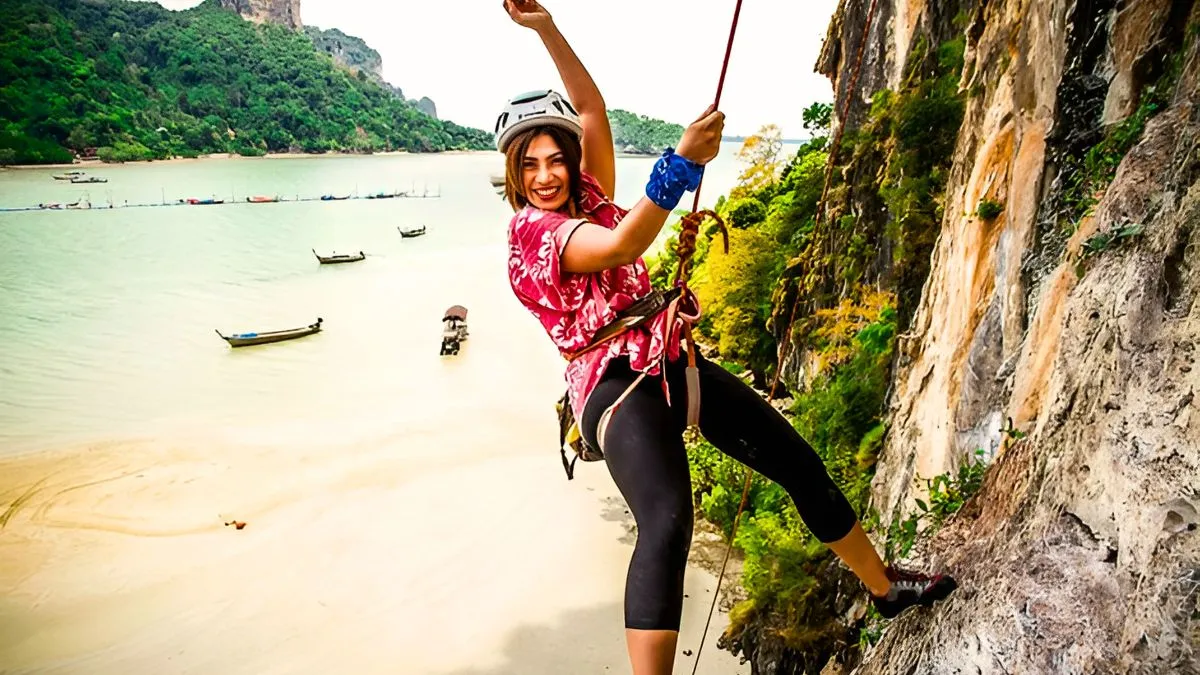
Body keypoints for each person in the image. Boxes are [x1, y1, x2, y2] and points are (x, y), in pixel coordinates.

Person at [498, 2, 957, 673]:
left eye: (555, 159)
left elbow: (591, 109)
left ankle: (885, 588)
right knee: (667, 522)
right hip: (612, 385)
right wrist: (679, 165)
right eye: (530, 164)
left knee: (797, 462)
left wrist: (544, 28)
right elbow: (627, 240)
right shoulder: (530, 236)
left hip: (667, 360)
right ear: (514, 172)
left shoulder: (589, 194)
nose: (546, 174)